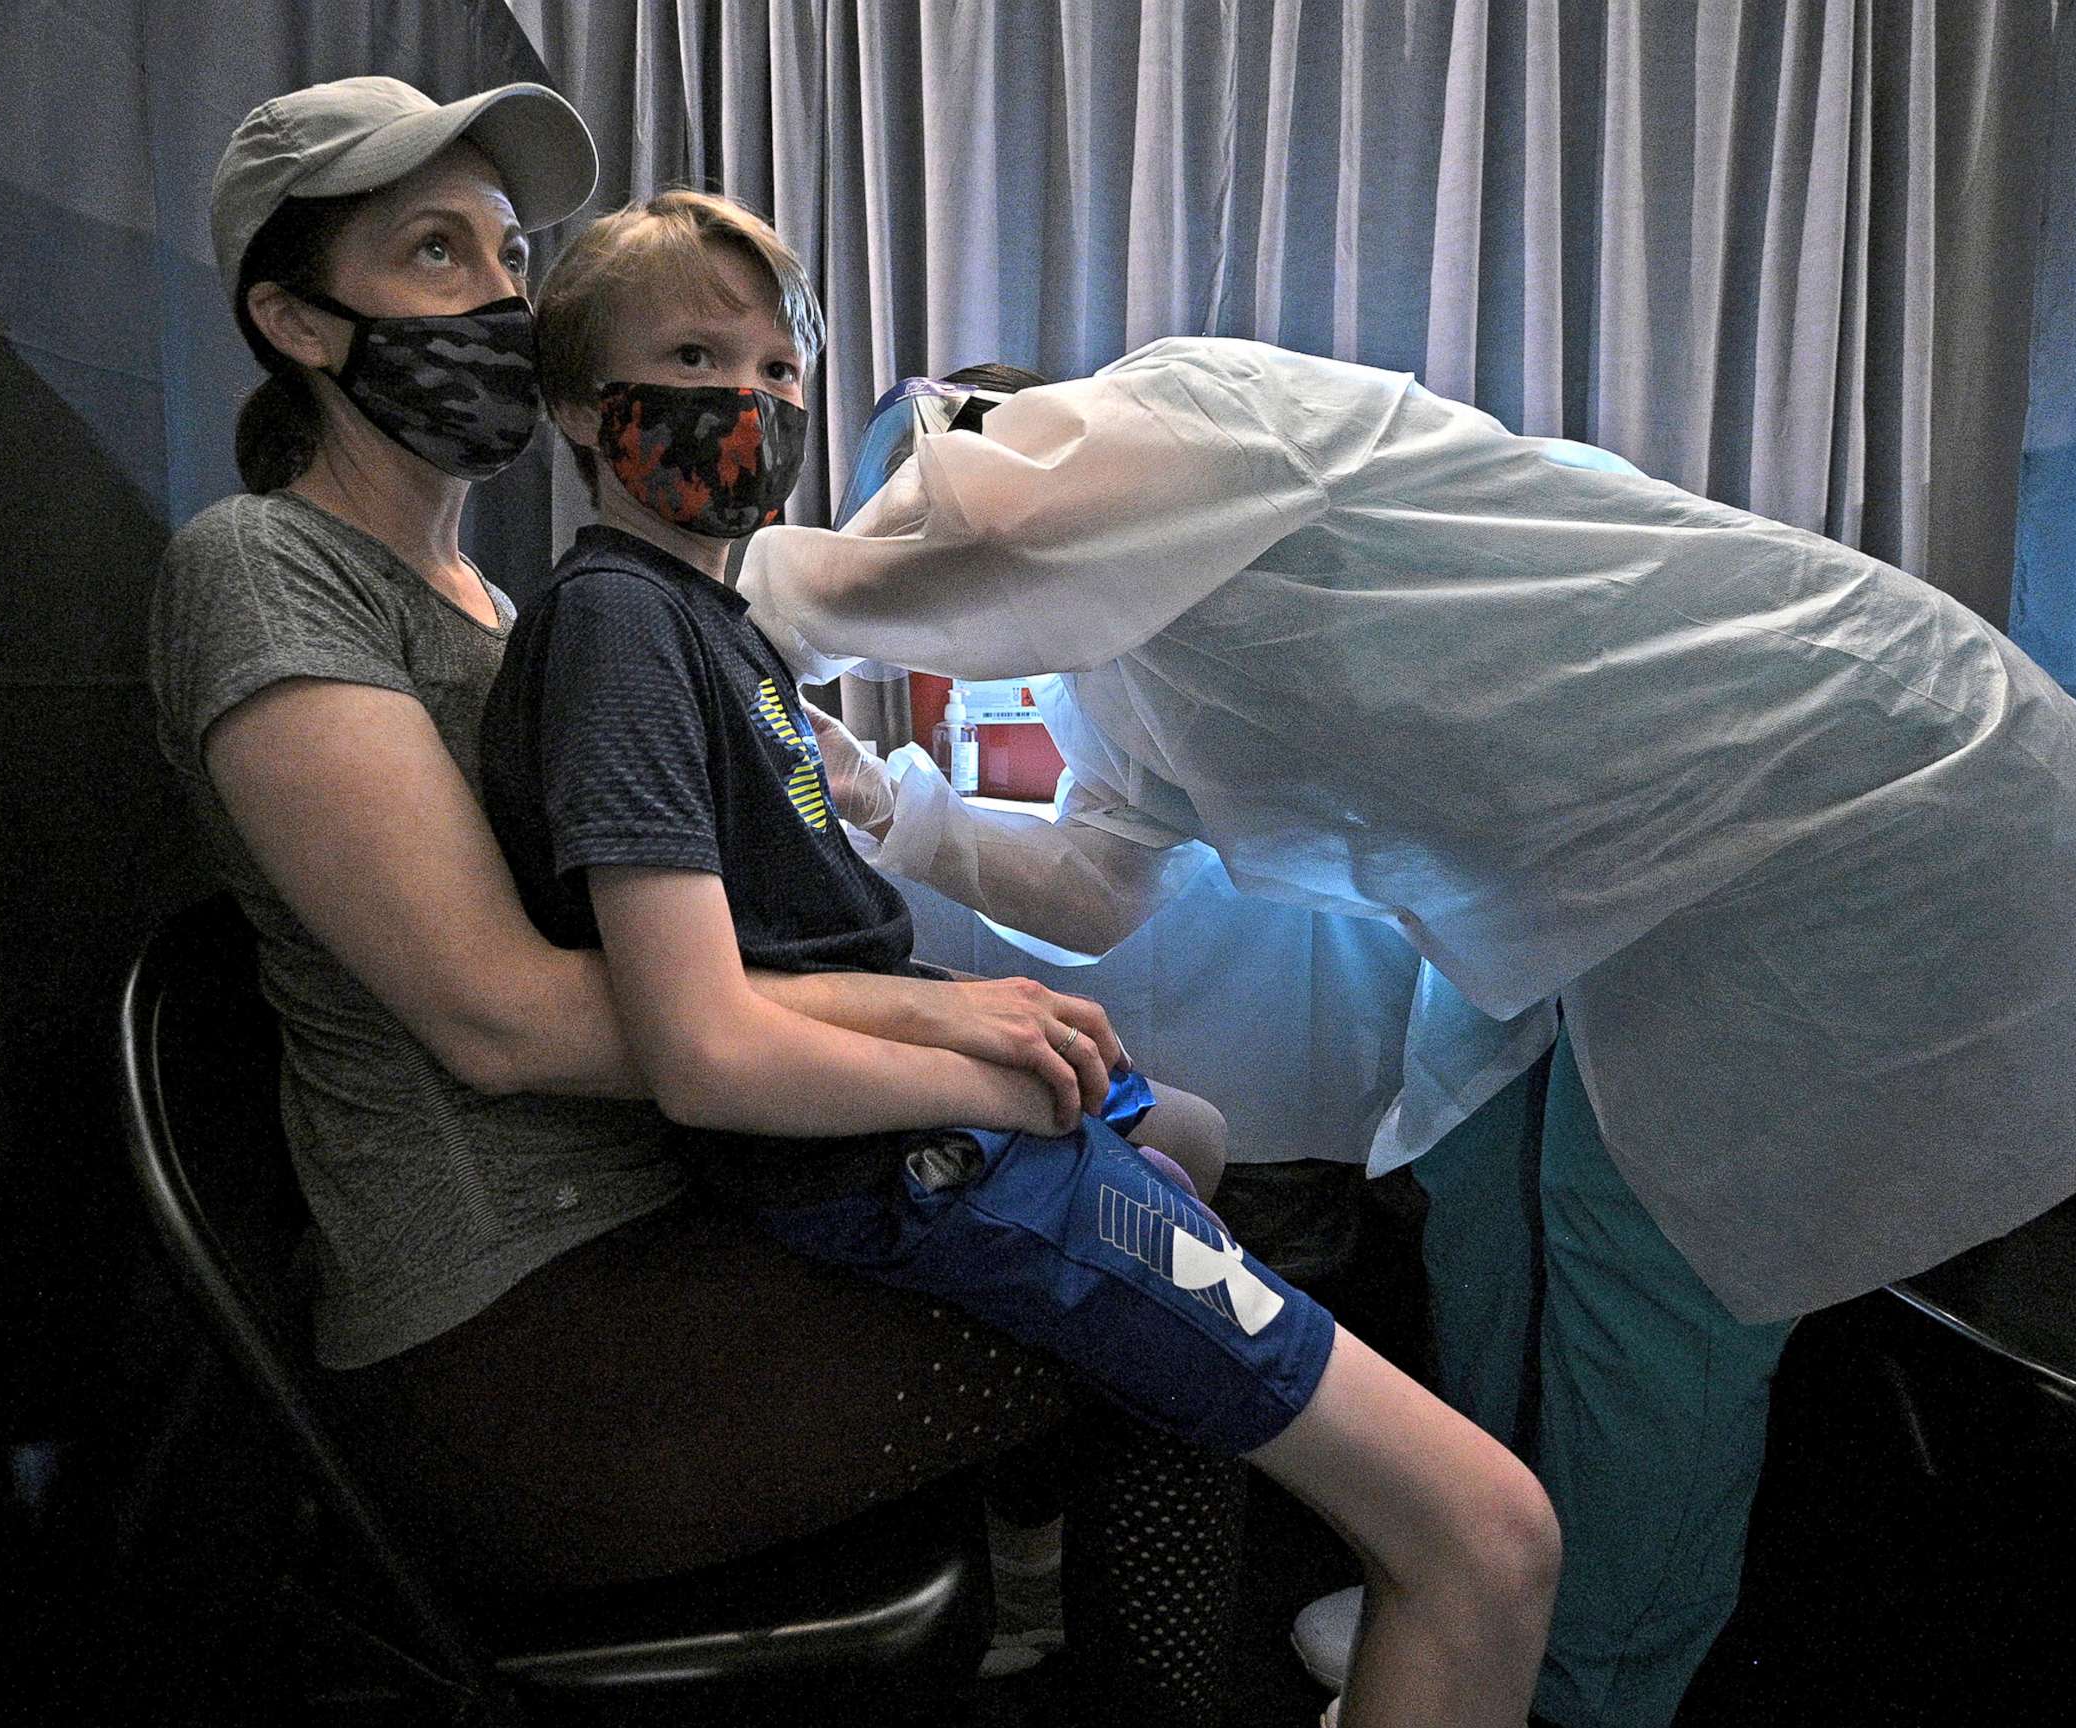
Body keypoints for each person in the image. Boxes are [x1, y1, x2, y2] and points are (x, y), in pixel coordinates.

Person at [738, 340, 2076, 1728]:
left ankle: (1591, 1680)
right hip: (1601, 869)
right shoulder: (1118, 688)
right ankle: (1469, 1565)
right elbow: (1101, 886)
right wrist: (904, 812)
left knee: (1645, 1241)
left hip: (1840, 793)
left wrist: (725, 618)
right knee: (1471, 1165)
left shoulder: (1198, 419)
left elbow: (1001, 504)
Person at [143, 79, 1277, 1719]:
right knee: (1175, 1277)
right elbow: (504, 1020)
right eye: (433, 254)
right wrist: (931, 1031)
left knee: (1156, 1154)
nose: (498, 298)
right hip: (515, 1327)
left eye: (509, 254)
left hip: (684, 1203)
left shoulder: (507, 603)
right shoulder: (262, 569)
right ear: (297, 322)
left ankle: (1044, 1630)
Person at [477, 190, 1560, 1728]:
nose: (754, 401)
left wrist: (963, 994)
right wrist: (962, 1050)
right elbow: (705, 1043)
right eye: (698, 356)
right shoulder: (621, 630)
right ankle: (1158, 1599)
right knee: (1490, 1533)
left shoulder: (713, 633)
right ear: (589, 410)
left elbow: (853, 929)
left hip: (923, 1122)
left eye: (781, 371)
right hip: (898, 1165)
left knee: (1191, 1132)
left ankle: (1110, 1620)